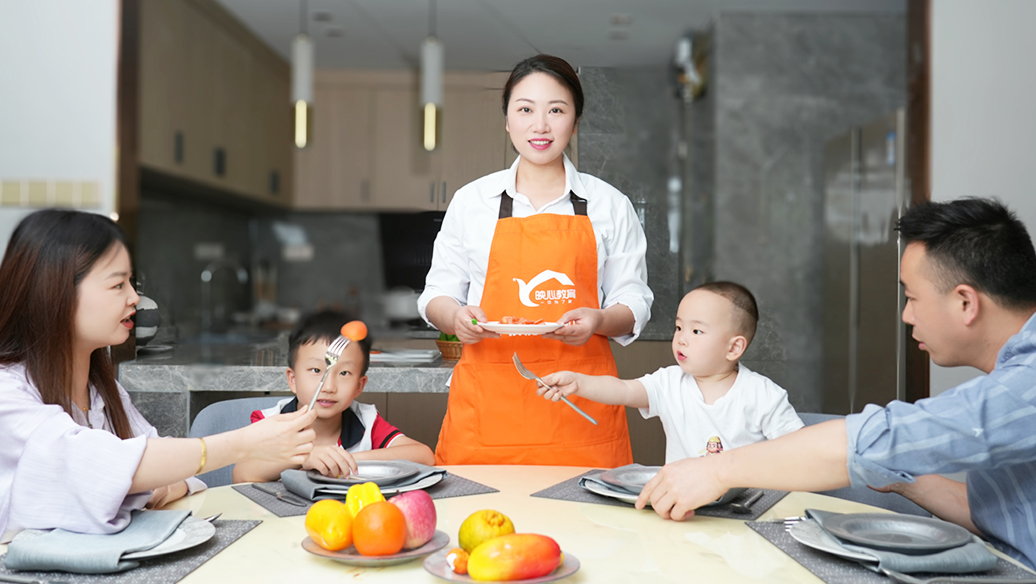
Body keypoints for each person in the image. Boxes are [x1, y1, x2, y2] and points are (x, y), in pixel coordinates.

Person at [635, 198, 1036, 570]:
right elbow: (1004, 519)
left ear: (965, 302)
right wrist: (898, 475)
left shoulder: (1027, 384)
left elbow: (879, 437)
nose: (906, 316)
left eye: (912, 298)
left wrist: (716, 471)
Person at [0, 209, 317, 541]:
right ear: (58, 292)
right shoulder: (8, 394)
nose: (134, 298)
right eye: (118, 284)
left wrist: (148, 484)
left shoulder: (103, 392)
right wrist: (245, 443)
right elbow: (101, 468)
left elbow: (172, 469)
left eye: (131, 282)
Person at [419, 54, 654, 466]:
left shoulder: (609, 205)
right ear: (508, 120)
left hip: (580, 405)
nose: (540, 125)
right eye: (525, 109)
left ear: (575, 122)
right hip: (489, 408)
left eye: (556, 110)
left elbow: (634, 302)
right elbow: (437, 294)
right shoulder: (472, 202)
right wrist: (456, 318)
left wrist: (599, 320)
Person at [537, 282, 803, 463]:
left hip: (746, 510)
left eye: (696, 331)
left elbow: (800, 452)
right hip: (681, 507)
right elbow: (624, 390)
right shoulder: (670, 383)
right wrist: (578, 383)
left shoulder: (763, 395)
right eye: (678, 328)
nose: (681, 339)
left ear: (733, 348)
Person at [233, 311, 434, 482]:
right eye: (315, 370)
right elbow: (241, 474)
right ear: (292, 380)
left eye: (344, 373)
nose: (329, 387)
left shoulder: (367, 422)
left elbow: (424, 456)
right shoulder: (269, 421)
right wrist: (303, 458)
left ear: (359, 386)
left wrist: (344, 459)